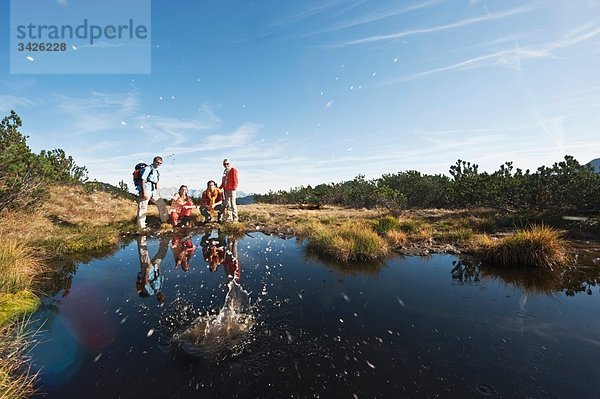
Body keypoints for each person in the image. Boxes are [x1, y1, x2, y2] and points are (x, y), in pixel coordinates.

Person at [136, 156, 169, 230]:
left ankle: (165, 221)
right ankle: (141, 226)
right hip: (146, 190)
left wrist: (157, 190)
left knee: (162, 205)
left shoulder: (156, 171)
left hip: (153, 191)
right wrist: (144, 192)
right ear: (154, 161)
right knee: (143, 208)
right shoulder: (148, 169)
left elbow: (156, 181)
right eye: (157, 162)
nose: (159, 164)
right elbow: (143, 180)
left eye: (160, 163)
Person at [136, 235, 169, 304]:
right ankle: (164, 237)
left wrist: (147, 270)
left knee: (144, 254)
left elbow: (146, 282)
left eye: (162, 296)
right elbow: (160, 275)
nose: (163, 294)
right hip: (155, 267)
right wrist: (158, 265)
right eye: (163, 295)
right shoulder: (160, 287)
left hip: (147, 271)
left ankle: (141, 236)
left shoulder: (151, 292)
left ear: (158, 297)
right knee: (162, 254)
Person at [220, 158, 239, 222]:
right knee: (228, 204)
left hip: (231, 189)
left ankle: (235, 218)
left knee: (233, 203)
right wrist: (219, 188)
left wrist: (234, 188)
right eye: (224, 164)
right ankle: (229, 218)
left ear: (229, 163)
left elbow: (235, 180)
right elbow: (223, 182)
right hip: (225, 190)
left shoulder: (233, 170)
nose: (226, 165)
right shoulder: (224, 171)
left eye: (227, 164)